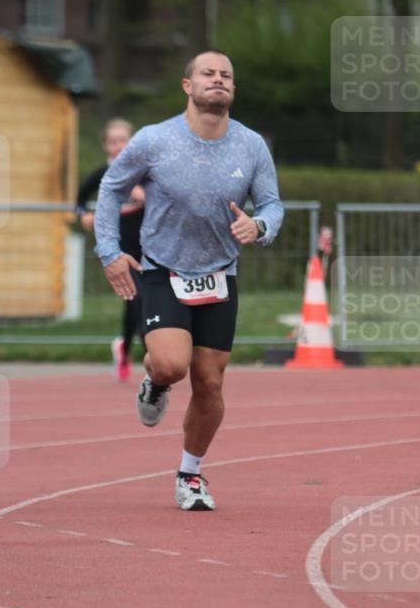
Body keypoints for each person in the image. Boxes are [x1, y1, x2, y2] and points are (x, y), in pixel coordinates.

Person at [94, 51, 284, 510]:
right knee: (171, 365)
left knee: (210, 383)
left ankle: (190, 475)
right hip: (162, 269)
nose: (218, 80)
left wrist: (258, 227)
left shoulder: (251, 145)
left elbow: (273, 204)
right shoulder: (154, 140)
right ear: (188, 86)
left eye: (226, 76)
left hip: (219, 274)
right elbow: (111, 187)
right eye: (208, 74)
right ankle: (155, 384)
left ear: (232, 89)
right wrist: (110, 251)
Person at [76, 118, 145, 381]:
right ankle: (150, 354)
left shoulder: (143, 171)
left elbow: (163, 197)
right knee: (136, 298)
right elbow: (80, 199)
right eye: (113, 141)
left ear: (132, 142)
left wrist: (144, 194)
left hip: (148, 245)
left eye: (123, 140)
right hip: (120, 247)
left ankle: (124, 349)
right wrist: (84, 215)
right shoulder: (101, 174)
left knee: (138, 302)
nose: (118, 146)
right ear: (106, 145)